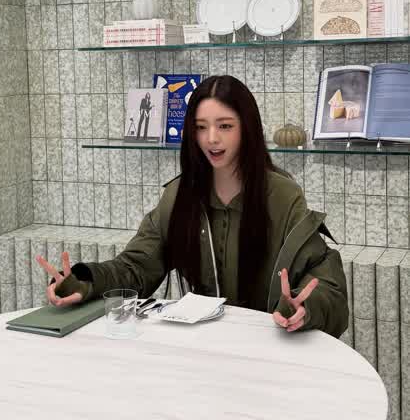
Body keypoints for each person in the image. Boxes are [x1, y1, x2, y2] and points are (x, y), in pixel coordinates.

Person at [37, 75, 348, 337]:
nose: (211, 138)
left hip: (267, 343)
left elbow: (324, 279)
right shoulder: (179, 195)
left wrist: (306, 305)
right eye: (200, 127)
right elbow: (135, 268)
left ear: (247, 128)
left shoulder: (283, 195)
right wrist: (84, 281)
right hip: (200, 344)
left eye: (225, 126)